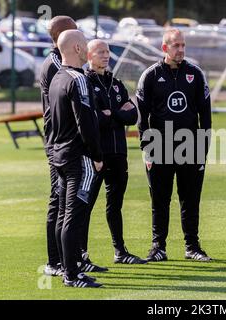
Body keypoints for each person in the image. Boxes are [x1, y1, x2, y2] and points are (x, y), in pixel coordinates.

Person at [136, 28, 212, 262]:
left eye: (183, 45)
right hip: (159, 145)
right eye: (175, 45)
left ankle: (192, 246)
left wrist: (203, 149)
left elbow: (205, 116)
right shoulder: (150, 75)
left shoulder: (195, 74)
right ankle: (158, 247)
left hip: (190, 146)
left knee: (190, 199)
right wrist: (147, 148)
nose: (180, 49)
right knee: (160, 199)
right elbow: (142, 117)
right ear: (164, 48)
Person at [40, 16, 106, 276]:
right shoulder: (65, 72)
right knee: (68, 209)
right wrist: (96, 154)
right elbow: (83, 120)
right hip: (70, 150)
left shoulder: (60, 73)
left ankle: (70, 262)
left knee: (65, 209)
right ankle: (66, 266)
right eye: (77, 31)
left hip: (59, 147)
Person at [85, 39, 146, 264]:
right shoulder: (85, 83)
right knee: (86, 204)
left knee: (115, 205)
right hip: (96, 156)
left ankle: (120, 251)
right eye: (100, 52)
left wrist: (112, 114)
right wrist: (114, 114)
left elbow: (132, 115)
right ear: (88, 56)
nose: (105, 55)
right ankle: (81, 253)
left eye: (107, 52)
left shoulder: (117, 84)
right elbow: (93, 119)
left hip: (119, 154)